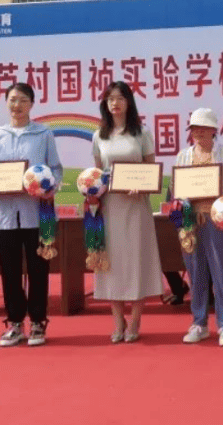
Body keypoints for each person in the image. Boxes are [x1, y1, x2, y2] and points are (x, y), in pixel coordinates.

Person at [0, 83, 63, 346]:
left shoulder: (43, 134)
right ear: (6, 103)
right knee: (9, 270)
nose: (17, 105)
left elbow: (56, 169)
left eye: (23, 100)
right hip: (4, 216)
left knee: (39, 268)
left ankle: (39, 322)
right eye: (13, 100)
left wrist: (49, 187)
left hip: (37, 214)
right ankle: (15, 323)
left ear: (32, 104)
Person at [92, 81, 163, 343]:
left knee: (135, 262)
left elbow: (150, 170)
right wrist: (92, 192)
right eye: (110, 99)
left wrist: (141, 186)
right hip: (110, 207)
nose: (115, 103)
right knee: (113, 264)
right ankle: (117, 321)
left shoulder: (141, 133)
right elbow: (97, 174)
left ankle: (135, 321)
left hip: (135, 207)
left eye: (120, 98)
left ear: (129, 102)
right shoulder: (99, 135)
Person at [174, 108, 223, 347]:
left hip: (218, 222)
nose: (199, 132)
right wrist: (179, 206)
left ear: (215, 130)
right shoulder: (183, 156)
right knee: (196, 274)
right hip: (191, 222)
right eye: (194, 128)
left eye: (204, 128)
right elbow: (177, 190)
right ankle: (199, 323)